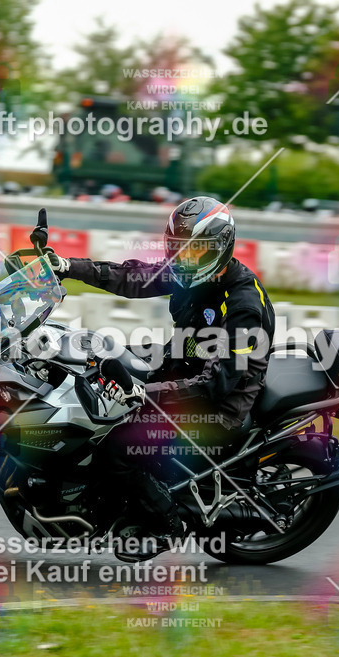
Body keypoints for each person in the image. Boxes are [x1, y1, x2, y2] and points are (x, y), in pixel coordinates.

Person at [43, 196, 276, 561]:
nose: (184, 258)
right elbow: (131, 277)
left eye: (195, 250)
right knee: (96, 359)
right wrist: (67, 266)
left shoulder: (243, 305)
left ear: (221, 247)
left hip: (220, 404)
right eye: (177, 249)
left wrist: (144, 392)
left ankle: (166, 526)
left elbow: (217, 385)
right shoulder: (191, 270)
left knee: (118, 444)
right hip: (183, 367)